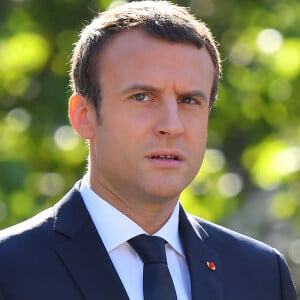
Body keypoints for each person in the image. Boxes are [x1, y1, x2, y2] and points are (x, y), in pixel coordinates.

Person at [0, 1, 297, 299]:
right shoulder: (10, 269)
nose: (172, 125)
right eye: (142, 97)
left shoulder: (261, 274)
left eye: (189, 101)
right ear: (84, 115)